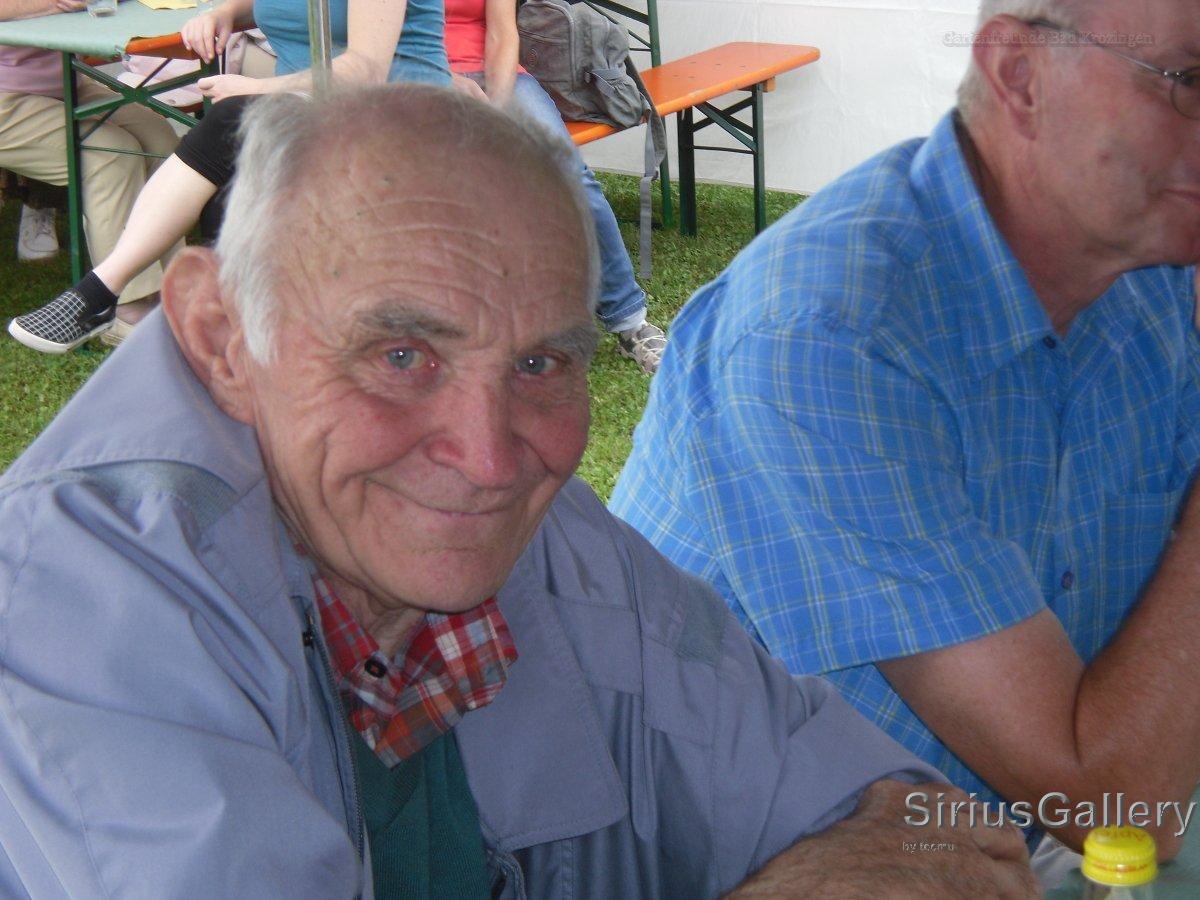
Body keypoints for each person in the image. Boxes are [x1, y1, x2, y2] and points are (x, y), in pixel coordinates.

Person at [0, 84, 1037, 898]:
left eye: (541, 362)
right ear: (222, 335)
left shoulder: (549, 540)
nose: (493, 460)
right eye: (400, 354)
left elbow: (913, 823)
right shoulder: (72, 599)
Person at [611, 0, 1200, 860]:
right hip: (755, 864)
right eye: (1191, 81)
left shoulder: (1146, 264)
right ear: (1021, 75)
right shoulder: (828, 339)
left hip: (980, 836)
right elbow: (1114, 812)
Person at [6, 0, 447, 353]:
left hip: (395, 116)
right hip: (309, 120)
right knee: (223, 202)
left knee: (231, 119)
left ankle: (99, 293)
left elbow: (364, 70)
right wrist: (225, 14)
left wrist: (257, 88)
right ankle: (234, 347)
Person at [446, 0, 667, 373]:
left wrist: (497, 109)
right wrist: (444, 80)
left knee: (569, 176)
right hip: (418, 77)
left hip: (498, 74)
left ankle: (630, 322)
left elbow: (502, 32)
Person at [0, 0, 181, 347]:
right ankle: (125, 307)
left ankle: (174, 289)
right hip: (8, 93)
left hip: (60, 81)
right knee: (109, 157)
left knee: (159, 139)